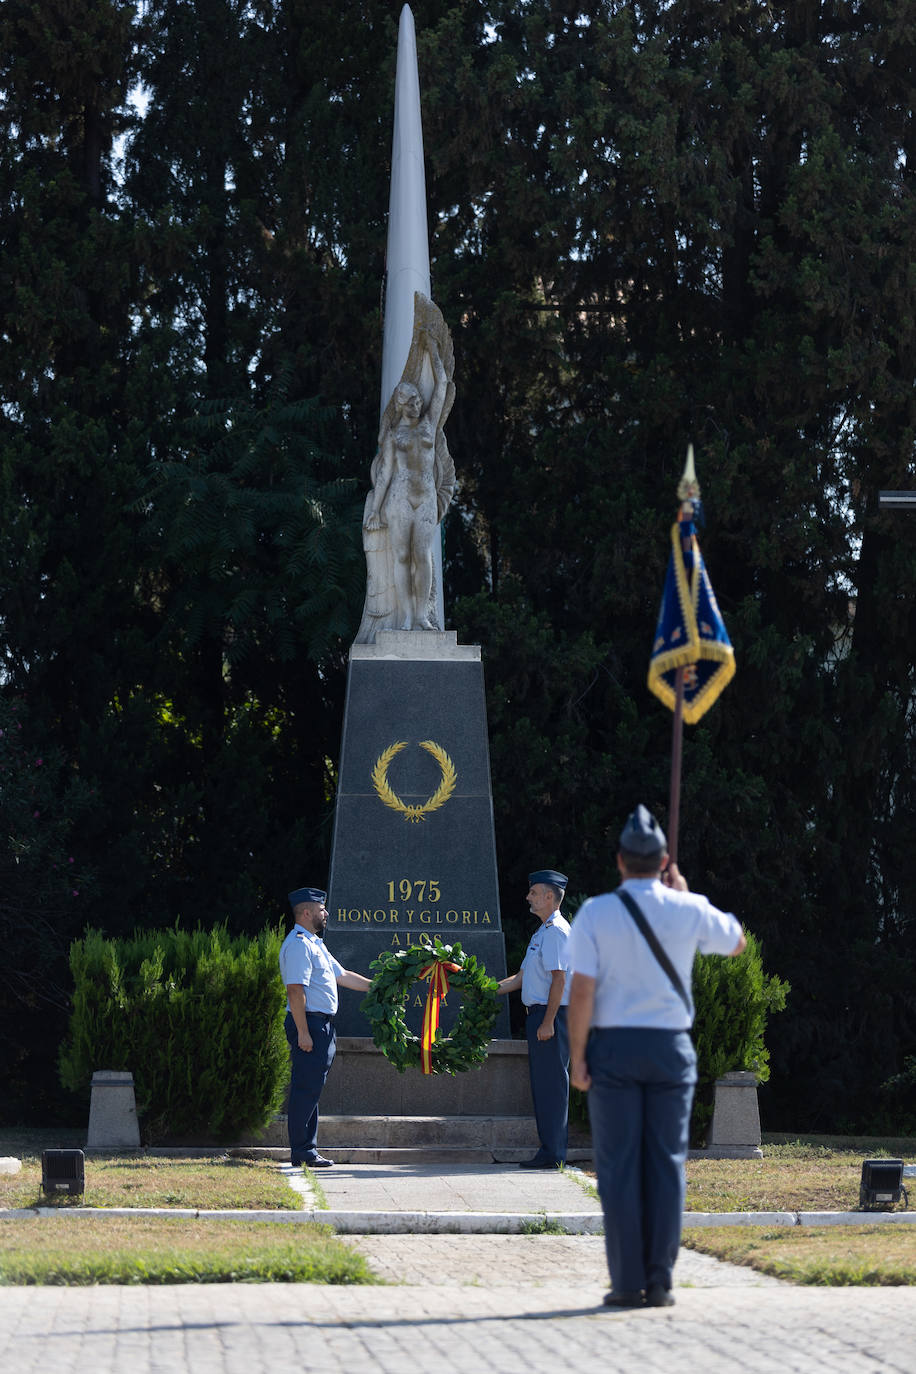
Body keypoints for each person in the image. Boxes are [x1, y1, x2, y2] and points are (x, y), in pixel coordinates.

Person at [567, 807, 745, 1308]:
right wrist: (685, 897)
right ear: (664, 860)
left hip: (615, 1049)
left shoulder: (596, 913)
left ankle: (626, 1283)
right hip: (671, 1048)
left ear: (620, 861)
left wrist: (578, 1056)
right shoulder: (686, 909)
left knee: (619, 1167)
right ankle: (661, 1279)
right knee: (667, 1164)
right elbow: (736, 942)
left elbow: (582, 992)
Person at [355, 298, 456, 643]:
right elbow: (384, 474)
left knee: (422, 555)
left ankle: (423, 619)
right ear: (398, 405)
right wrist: (376, 510)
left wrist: (432, 351)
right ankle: (408, 618)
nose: (415, 403)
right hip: (397, 499)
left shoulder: (429, 425)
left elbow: (441, 386)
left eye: (416, 398)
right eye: (408, 400)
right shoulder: (394, 435)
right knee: (400, 555)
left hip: (425, 497)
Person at [279, 886, 373, 1168]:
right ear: (306, 913)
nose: (326, 913)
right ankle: (302, 1151)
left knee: (312, 1088)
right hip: (309, 1023)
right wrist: (304, 1032)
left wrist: (379, 987)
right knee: (305, 1088)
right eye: (321, 909)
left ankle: (308, 1149)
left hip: (321, 1024)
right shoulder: (298, 944)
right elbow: (295, 991)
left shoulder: (315, 944)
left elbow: (343, 975)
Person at [497, 869, 571, 1168]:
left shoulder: (556, 932)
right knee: (544, 1086)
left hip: (550, 1017)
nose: (528, 897)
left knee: (552, 1086)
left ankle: (553, 1155)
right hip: (540, 1016)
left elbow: (559, 980)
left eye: (534, 892)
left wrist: (548, 1022)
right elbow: (522, 977)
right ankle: (550, 1151)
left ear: (550, 896)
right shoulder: (542, 932)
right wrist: (487, 990)